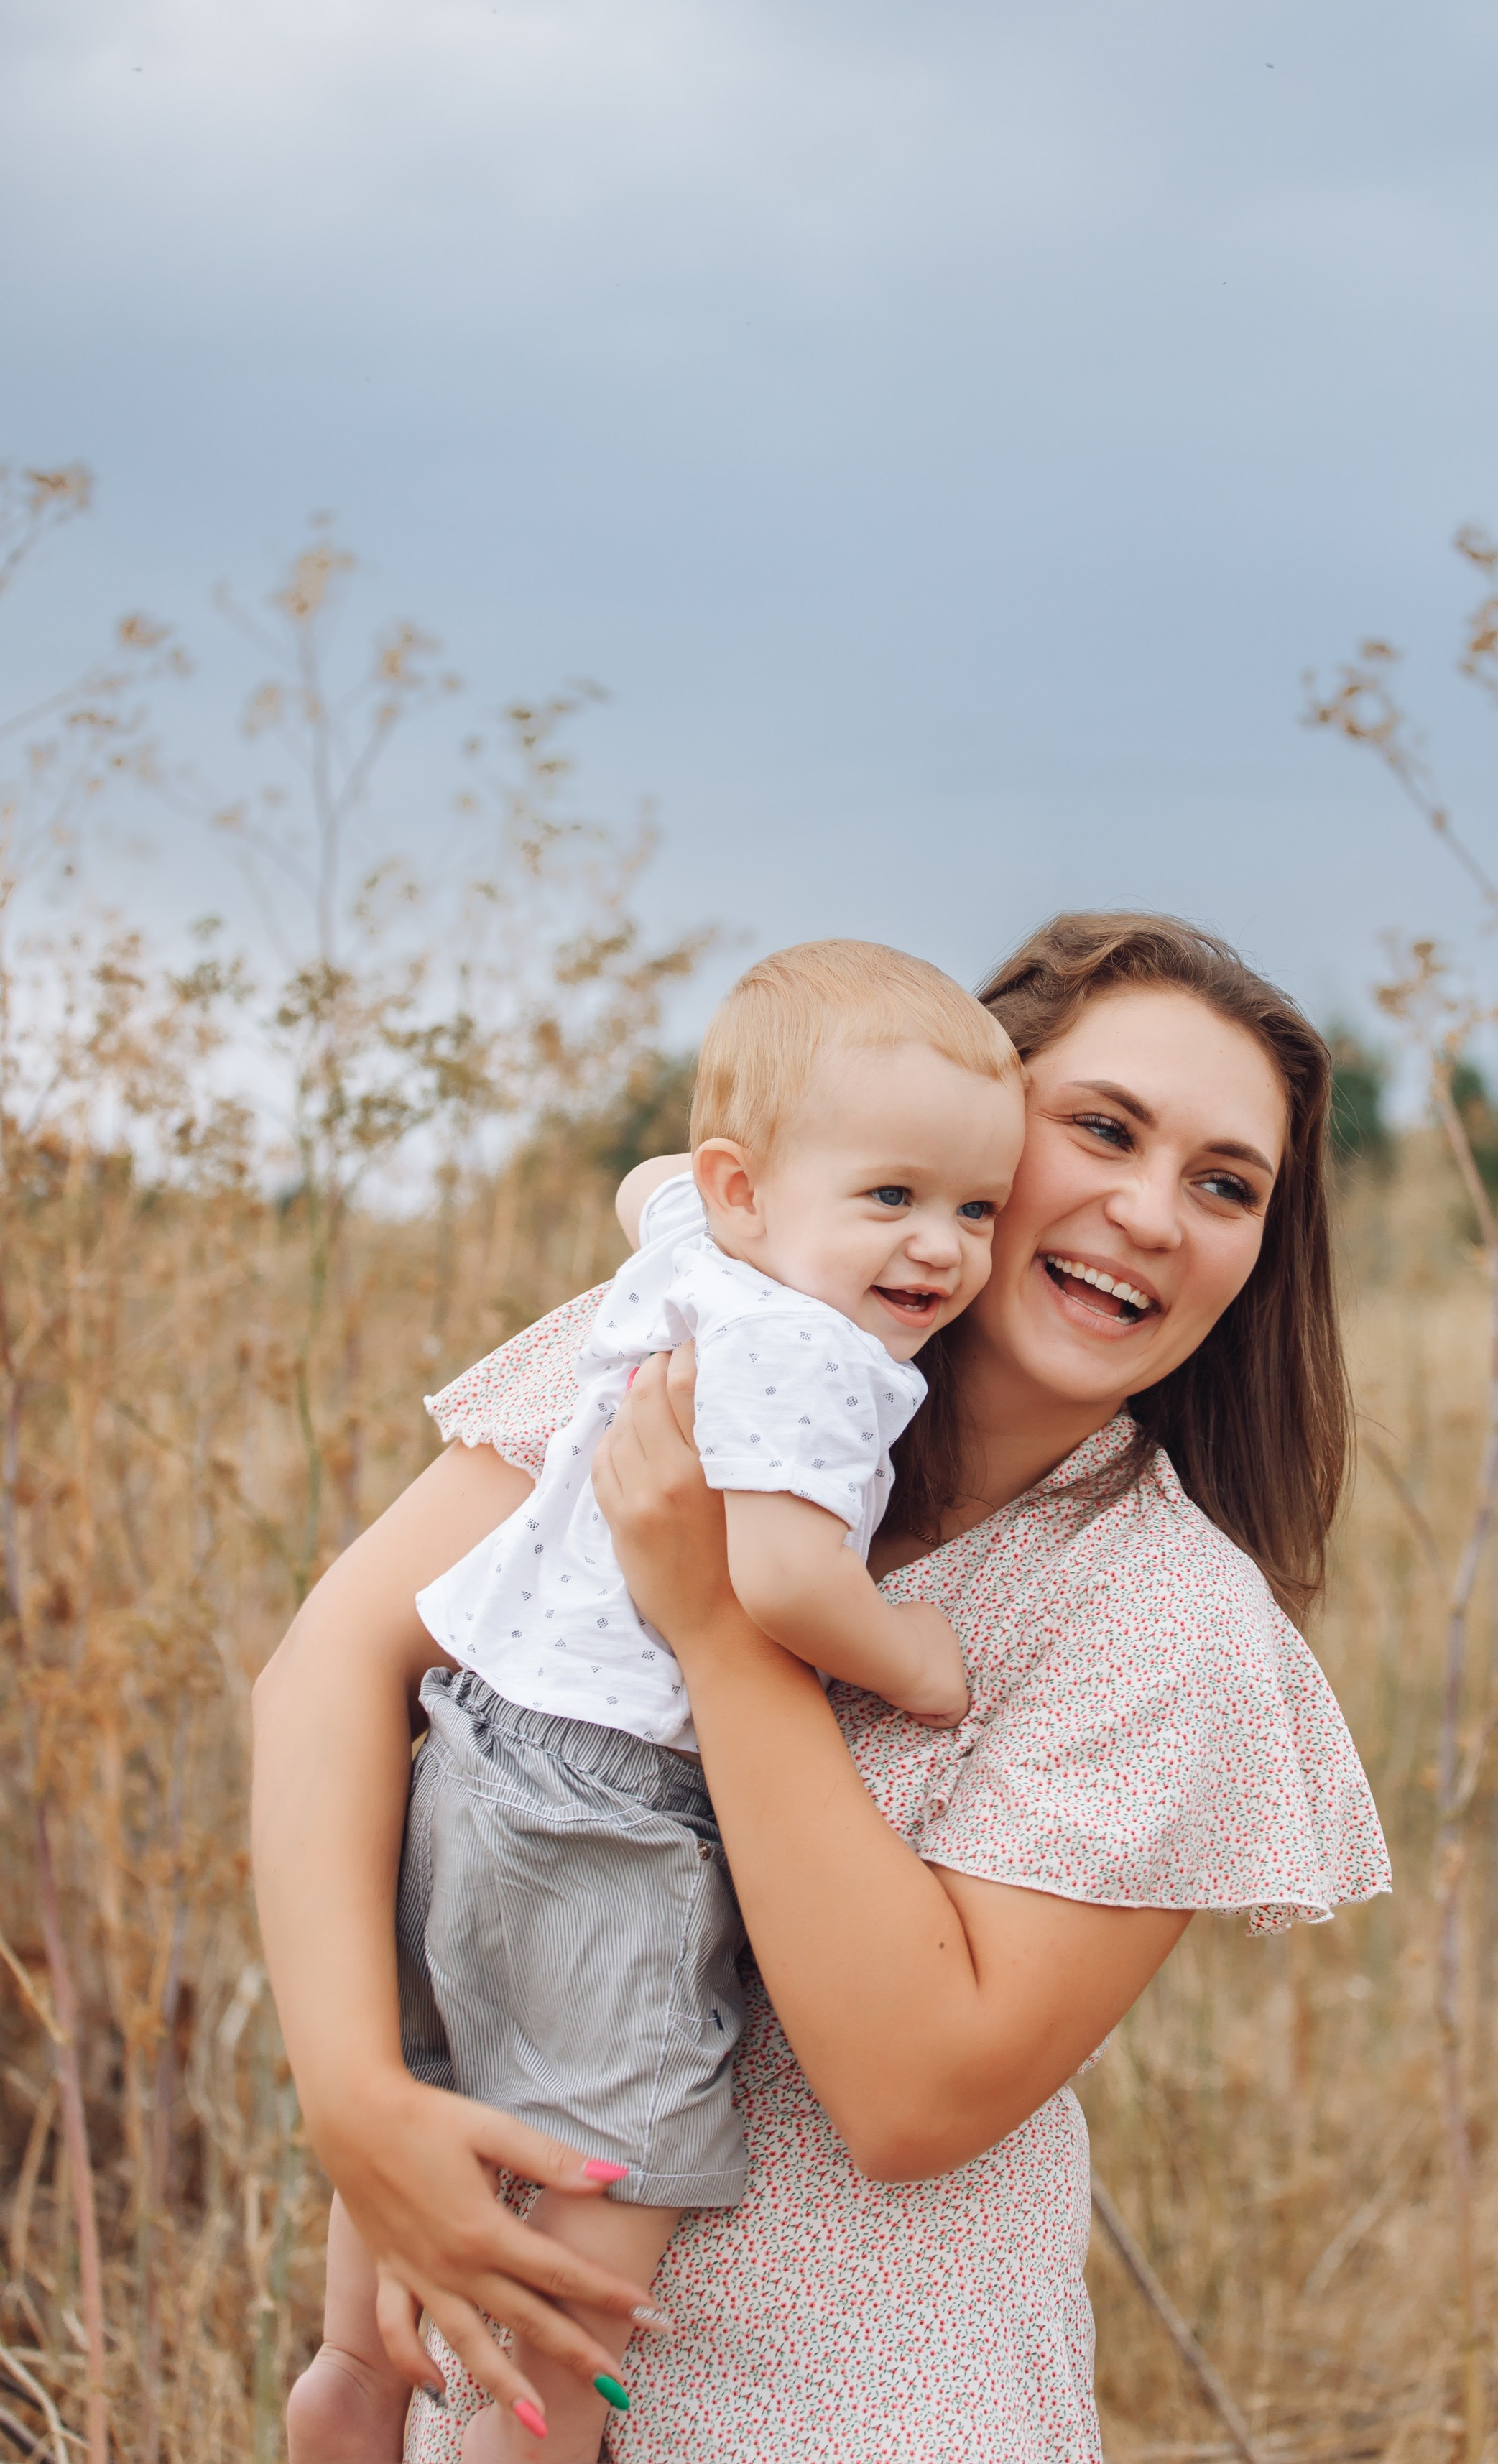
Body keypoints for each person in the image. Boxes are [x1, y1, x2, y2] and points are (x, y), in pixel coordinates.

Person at [257, 910, 1390, 2464]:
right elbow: (337, 1659)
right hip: (493, 2384)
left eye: (1222, 1185)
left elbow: (911, 2091)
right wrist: (353, 2099)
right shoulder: (692, 1333)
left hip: (859, 2413)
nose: (1146, 1211)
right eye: (1102, 1130)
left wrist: (718, 1626)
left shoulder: (1167, 1623)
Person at [297, 941, 1025, 2463]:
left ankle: (351, 2388)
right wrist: (914, 1659)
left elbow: (649, 1181)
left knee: (435, 2072)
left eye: (975, 1208)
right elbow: (774, 1577)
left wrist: (745, 1181)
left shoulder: (697, 1242)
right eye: (890, 1198)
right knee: (606, 2192)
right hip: (616, 1807)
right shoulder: (815, 1353)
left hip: (475, 1746)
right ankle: (532, 2432)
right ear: (753, 1188)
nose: (939, 1251)